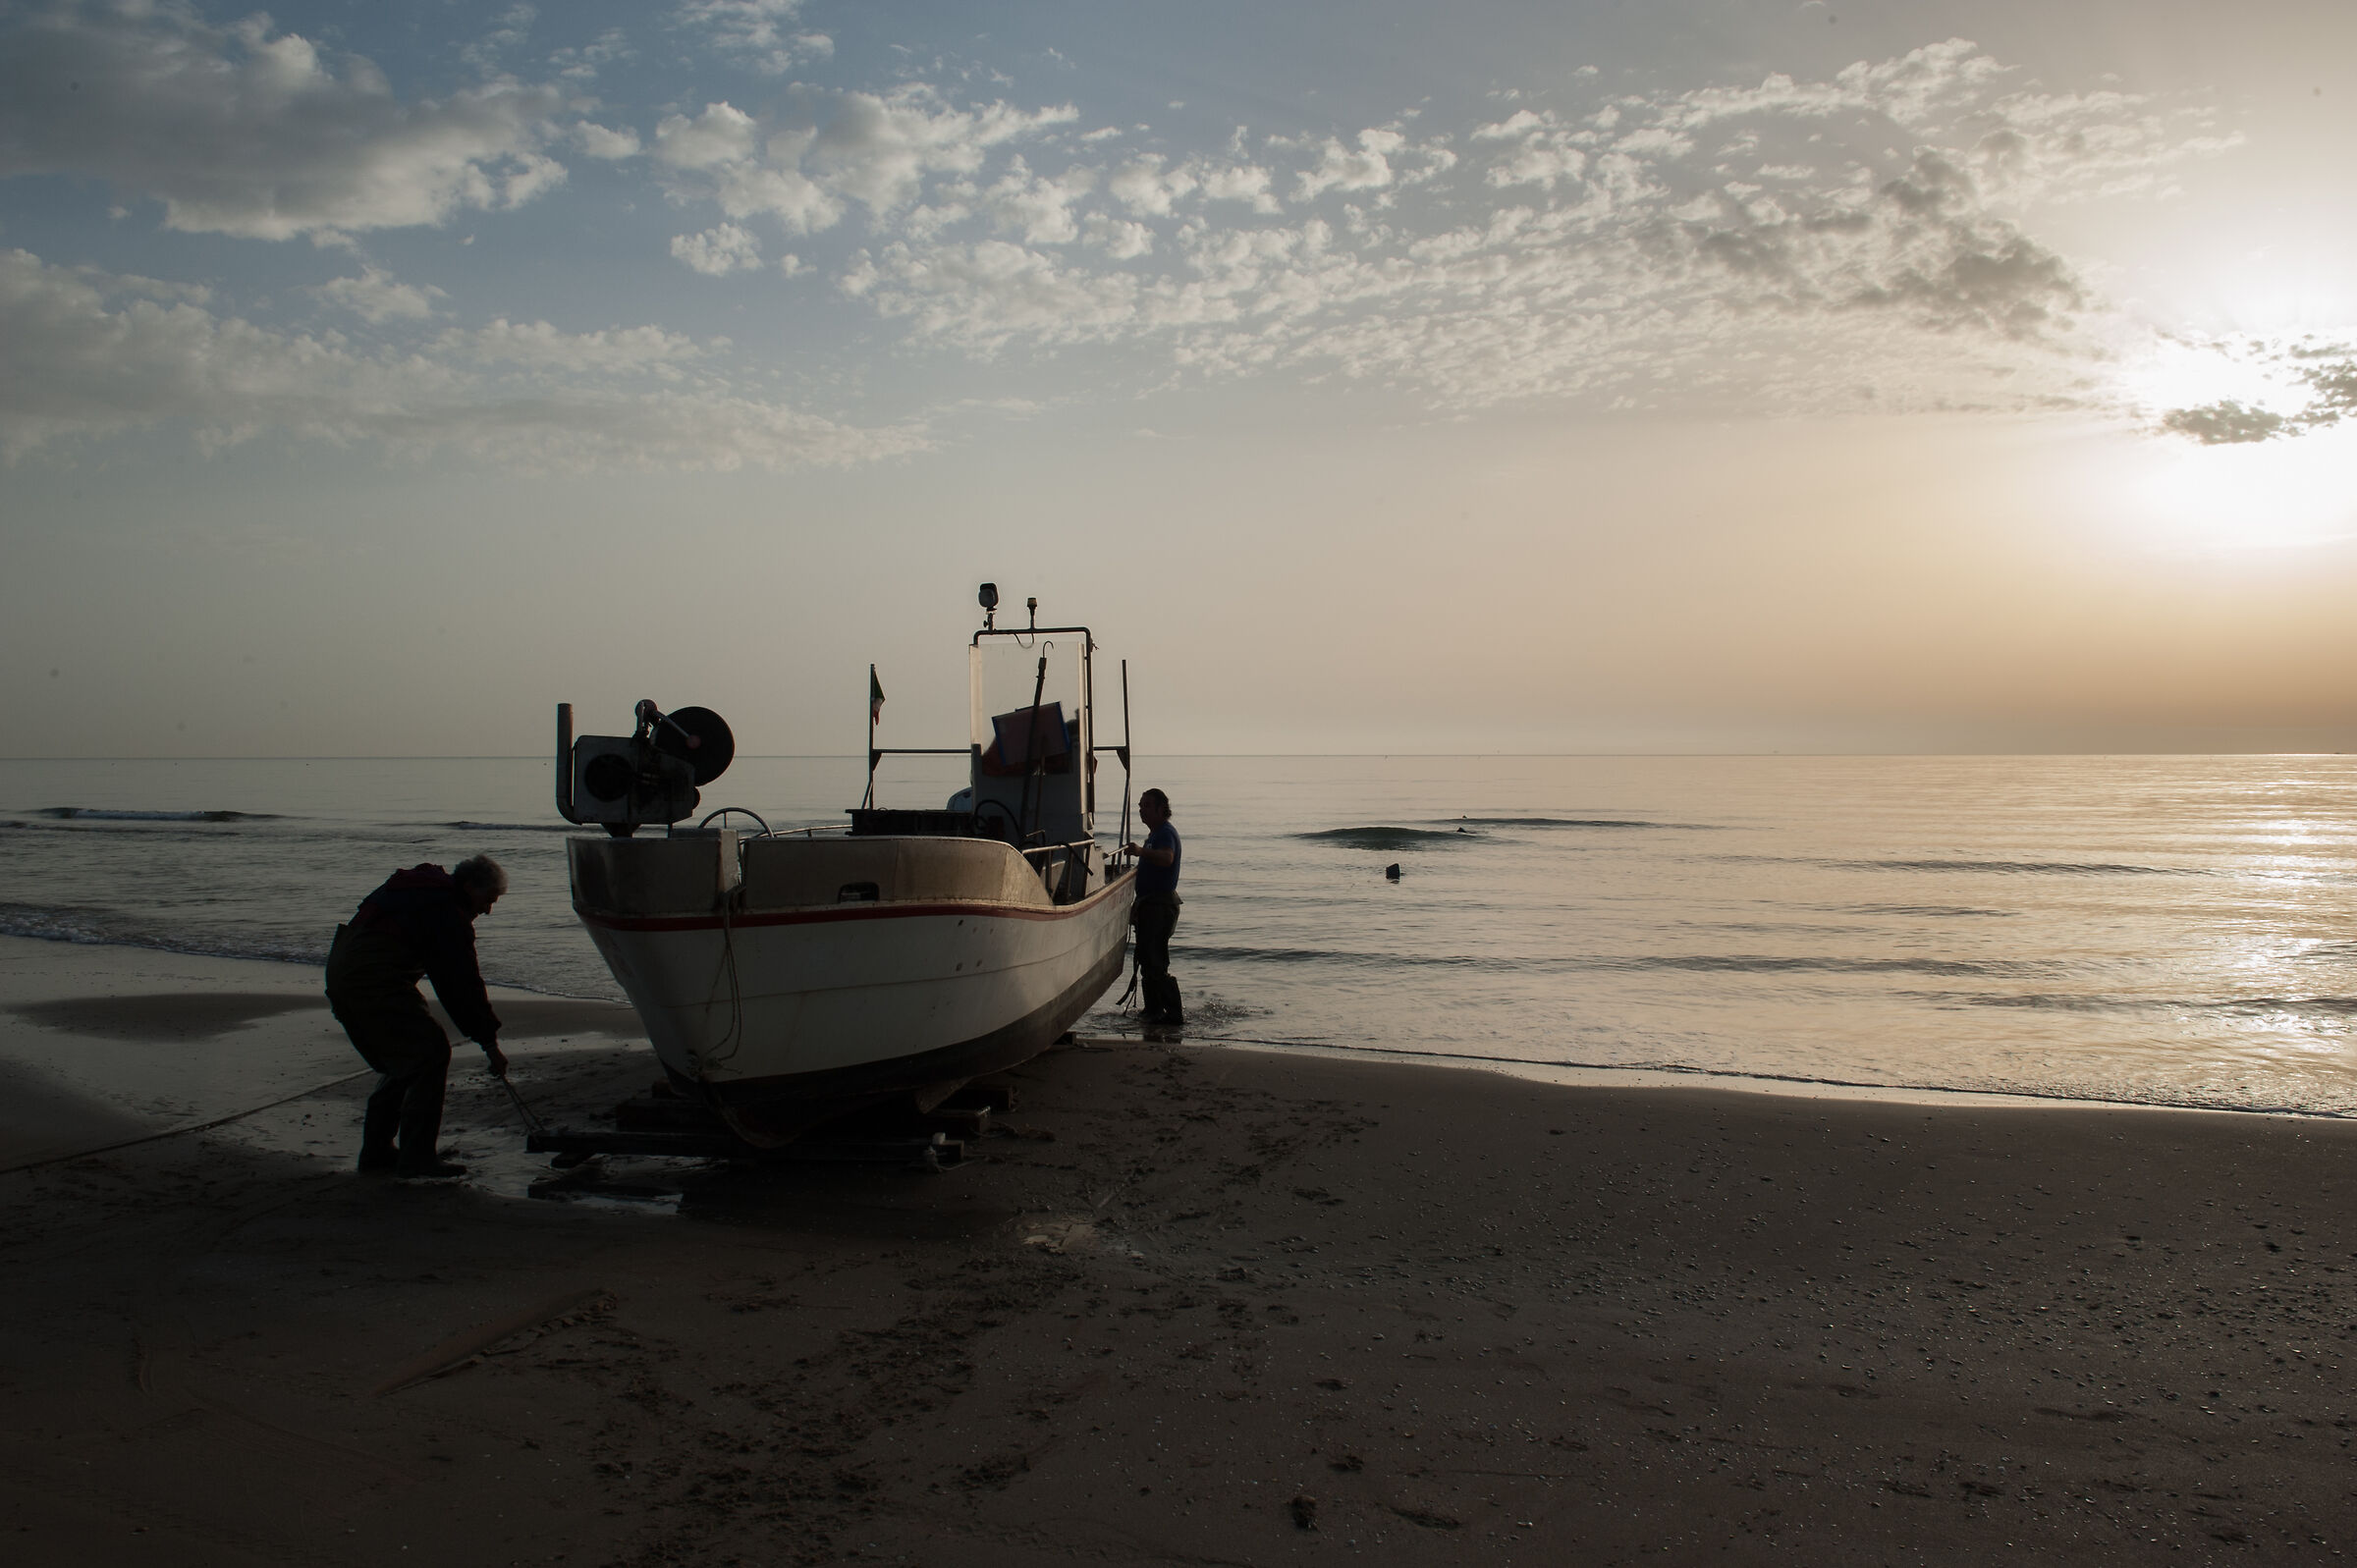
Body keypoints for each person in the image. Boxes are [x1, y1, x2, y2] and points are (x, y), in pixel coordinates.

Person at [325, 855, 510, 1178]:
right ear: (469, 887)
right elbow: (460, 984)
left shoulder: (425, 892)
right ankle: (417, 1156)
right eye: (488, 900)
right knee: (430, 1053)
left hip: (343, 968)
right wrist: (489, 1042)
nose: (487, 910)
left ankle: (377, 1152)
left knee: (405, 1059)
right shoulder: (445, 913)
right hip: (371, 978)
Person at [1125, 787, 1183, 1027]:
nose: (1142, 810)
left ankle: (1174, 1014)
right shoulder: (1154, 834)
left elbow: (1167, 858)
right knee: (1146, 959)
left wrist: (1141, 851)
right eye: (1140, 805)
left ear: (1162, 809)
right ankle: (1153, 1009)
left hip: (1160, 905)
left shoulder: (1165, 833)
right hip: (1148, 903)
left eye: (1147, 805)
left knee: (1155, 960)